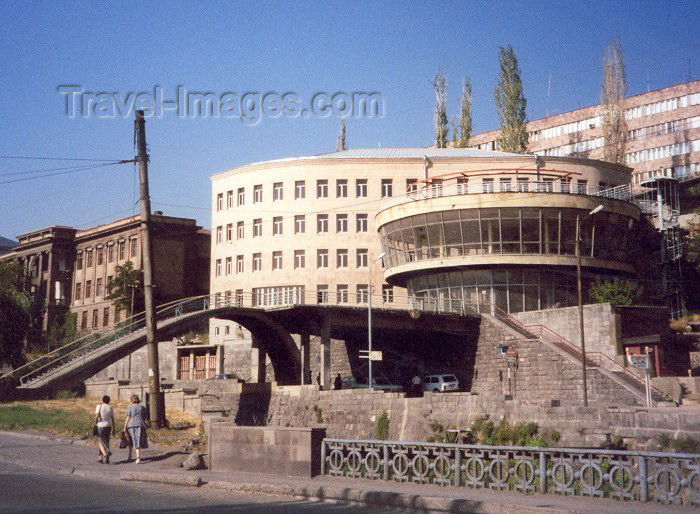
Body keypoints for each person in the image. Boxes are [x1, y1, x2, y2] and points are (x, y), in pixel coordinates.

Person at [123, 394, 149, 464]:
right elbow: (144, 417)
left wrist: (124, 427)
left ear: (131, 400)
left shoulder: (130, 407)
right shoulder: (142, 407)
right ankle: (133, 456)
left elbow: (128, 417)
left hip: (131, 425)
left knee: (131, 440)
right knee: (136, 439)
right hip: (140, 425)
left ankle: (135, 457)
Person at [94, 395, 115, 464]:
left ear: (102, 400)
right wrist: (114, 428)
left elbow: (96, 416)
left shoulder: (99, 406)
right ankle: (103, 458)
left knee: (100, 441)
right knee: (106, 441)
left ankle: (105, 454)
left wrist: (95, 424)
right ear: (109, 401)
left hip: (100, 425)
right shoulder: (110, 407)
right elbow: (112, 419)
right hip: (108, 426)